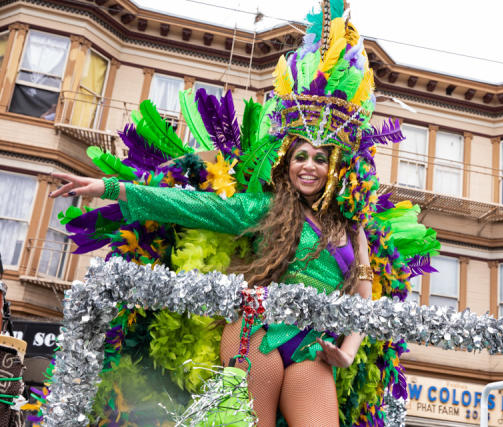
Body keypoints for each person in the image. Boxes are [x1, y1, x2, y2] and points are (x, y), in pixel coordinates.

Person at [50, 138, 372, 426]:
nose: (308, 166)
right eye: (300, 157)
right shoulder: (264, 209)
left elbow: (364, 302)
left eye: (319, 159)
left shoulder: (354, 232)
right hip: (254, 331)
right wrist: (108, 188)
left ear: (334, 169)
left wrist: (347, 353)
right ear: (286, 164)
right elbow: (191, 206)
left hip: (311, 347)